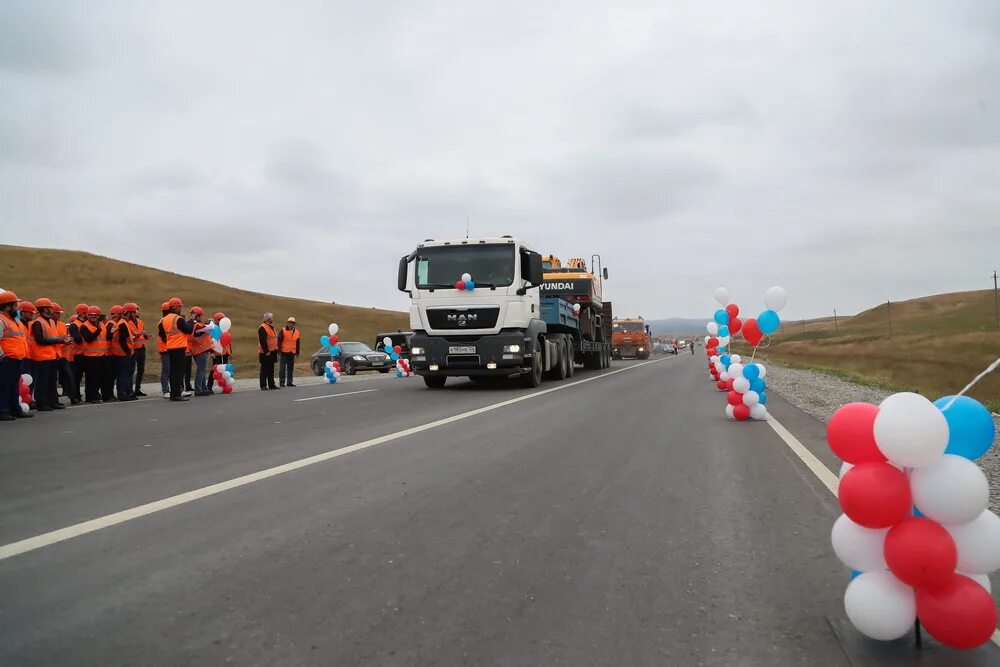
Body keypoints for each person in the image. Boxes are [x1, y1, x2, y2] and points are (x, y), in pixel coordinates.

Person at [28, 298, 70, 411]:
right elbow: (40, 340)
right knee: (42, 382)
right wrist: (59, 340)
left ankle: (52, 401)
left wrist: (61, 340)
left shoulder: (50, 321)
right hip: (42, 357)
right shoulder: (38, 322)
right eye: (50, 307)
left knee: (52, 381)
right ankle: (41, 403)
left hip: (52, 356)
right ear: (45, 309)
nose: (53, 309)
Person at [0, 291, 33, 421]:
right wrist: (2, 356)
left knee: (14, 386)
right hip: (7, 359)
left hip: (17, 358)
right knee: (4, 387)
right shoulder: (1, 320)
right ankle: (3, 411)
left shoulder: (14, 320)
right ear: (7, 306)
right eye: (15, 305)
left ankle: (15, 409)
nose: (17, 307)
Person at [159, 297, 195, 401]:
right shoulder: (177, 319)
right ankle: (176, 394)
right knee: (178, 372)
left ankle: (174, 393)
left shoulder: (164, 320)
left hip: (170, 347)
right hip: (179, 347)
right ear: (174, 307)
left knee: (173, 371)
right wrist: (191, 321)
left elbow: (162, 335)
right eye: (179, 307)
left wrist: (169, 341)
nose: (180, 309)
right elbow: (188, 330)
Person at [51, 303, 80, 405]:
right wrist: (62, 341)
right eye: (57, 313)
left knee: (69, 377)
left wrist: (67, 340)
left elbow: (65, 337)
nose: (58, 315)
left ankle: (73, 398)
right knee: (52, 379)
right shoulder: (47, 324)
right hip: (51, 356)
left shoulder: (62, 325)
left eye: (59, 313)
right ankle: (53, 400)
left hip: (63, 356)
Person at [78, 306, 108, 404]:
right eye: (91, 315)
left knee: (99, 377)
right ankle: (91, 397)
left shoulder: (101, 325)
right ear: (87, 315)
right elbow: (89, 339)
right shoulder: (84, 326)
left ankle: (95, 395)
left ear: (99, 316)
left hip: (101, 355)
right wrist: (98, 330)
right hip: (90, 356)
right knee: (92, 378)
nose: (93, 317)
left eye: (95, 315)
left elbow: (104, 338)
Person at [109, 304, 136, 401]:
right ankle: (122, 394)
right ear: (129, 313)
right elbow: (122, 340)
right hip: (122, 354)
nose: (135, 315)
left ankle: (124, 393)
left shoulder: (122, 322)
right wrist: (128, 352)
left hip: (119, 353)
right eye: (133, 312)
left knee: (123, 375)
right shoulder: (123, 323)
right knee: (123, 375)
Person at [126, 302, 152, 397]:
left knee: (141, 370)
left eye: (138, 310)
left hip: (141, 348)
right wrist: (140, 334)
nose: (138, 312)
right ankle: (129, 389)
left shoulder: (140, 322)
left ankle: (137, 389)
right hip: (133, 349)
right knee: (131, 370)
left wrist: (146, 336)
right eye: (136, 310)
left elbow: (142, 334)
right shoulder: (127, 322)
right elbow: (130, 336)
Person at [187, 306, 213, 396]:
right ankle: (198, 390)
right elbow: (210, 327)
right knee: (201, 371)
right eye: (200, 316)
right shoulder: (197, 325)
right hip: (201, 350)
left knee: (202, 371)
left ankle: (203, 388)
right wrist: (211, 322)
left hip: (196, 350)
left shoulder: (190, 325)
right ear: (197, 316)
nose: (201, 318)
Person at [18, 301, 37, 407]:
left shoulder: (31, 324)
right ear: (23, 312)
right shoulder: (18, 324)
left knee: (31, 380)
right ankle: (22, 400)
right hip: (22, 356)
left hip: (31, 356)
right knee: (22, 380)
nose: (31, 315)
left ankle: (29, 399)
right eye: (29, 313)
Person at [68, 304, 88, 403]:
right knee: (76, 377)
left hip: (86, 355)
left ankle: (79, 395)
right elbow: (77, 339)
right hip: (77, 355)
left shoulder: (88, 324)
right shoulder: (74, 325)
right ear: (80, 313)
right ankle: (74, 397)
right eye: (85, 313)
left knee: (85, 377)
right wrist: (89, 337)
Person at [102, 306, 123, 401]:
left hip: (111, 353)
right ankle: (108, 395)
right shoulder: (111, 324)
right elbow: (107, 336)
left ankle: (109, 395)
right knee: (109, 377)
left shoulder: (113, 323)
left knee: (111, 376)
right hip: (108, 354)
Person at [207, 311, 228, 392]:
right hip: (217, 353)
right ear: (217, 320)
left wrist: (229, 352)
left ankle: (223, 386)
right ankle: (209, 386)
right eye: (221, 319)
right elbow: (211, 342)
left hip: (225, 352)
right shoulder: (215, 329)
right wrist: (211, 352)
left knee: (224, 371)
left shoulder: (225, 329)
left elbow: (227, 341)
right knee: (215, 370)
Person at [278, 316, 300, 387]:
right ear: (288, 323)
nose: (291, 324)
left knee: (290, 368)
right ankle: (282, 382)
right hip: (284, 352)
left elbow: (297, 342)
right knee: (282, 368)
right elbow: (279, 341)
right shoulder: (283, 330)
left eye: (293, 323)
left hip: (292, 352)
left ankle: (289, 382)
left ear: (294, 324)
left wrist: (297, 352)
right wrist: (279, 350)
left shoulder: (297, 332)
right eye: (290, 323)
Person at [258, 312, 278, 390]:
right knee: (264, 369)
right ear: (268, 319)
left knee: (271, 369)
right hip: (265, 352)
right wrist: (266, 351)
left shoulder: (271, 327)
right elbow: (262, 340)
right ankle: (263, 385)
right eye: (271, 318)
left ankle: (271, 384)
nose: (272, 319)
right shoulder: (262, 327)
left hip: (273, 351)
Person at [156, 302, 171, 397]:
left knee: (171, 370)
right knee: (166, 370)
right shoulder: (163, 321)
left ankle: (172, 389)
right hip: (166, 349)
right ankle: (165, 390)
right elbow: (163, 336)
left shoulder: (164, 320)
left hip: (169, 348)